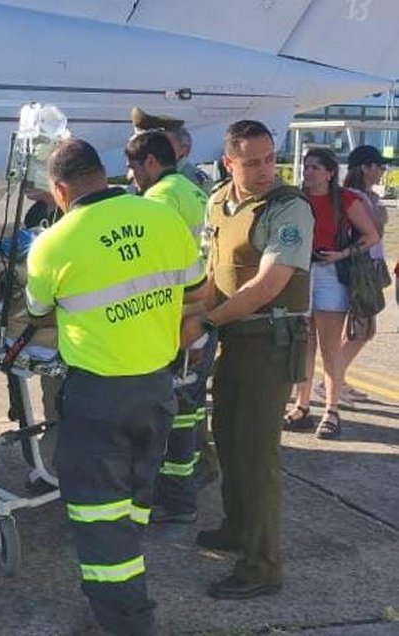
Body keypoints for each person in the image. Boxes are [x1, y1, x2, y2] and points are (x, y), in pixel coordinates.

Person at [27, 139, 204, 634]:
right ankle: (116, 600)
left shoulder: (53, 243)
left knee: (100, 522)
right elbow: (198, 292)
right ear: (103, 174)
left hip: (98, 398)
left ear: (59, 190)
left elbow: (38, 313)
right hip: (156, 389)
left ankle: (126, 622)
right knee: (130, 507)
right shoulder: (163, 218)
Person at [180, 120, 313, 601]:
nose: (264, 170)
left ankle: (262, 567)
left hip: (270, 343)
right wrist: (188, 314)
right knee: (229, 441)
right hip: (235, 339)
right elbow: (217, 275)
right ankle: (238, 529)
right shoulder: (219, 201)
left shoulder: (288, 208)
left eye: (268, 158)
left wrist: (206, 323)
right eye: (251, 162)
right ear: (228, 163)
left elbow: (266, 286)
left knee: (257, 456)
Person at [125, 131, 214, 525]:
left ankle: (177, 501)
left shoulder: (159, 198)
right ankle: (187, 490)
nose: (131, 177)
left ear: (150, 163)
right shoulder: (191, 188)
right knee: (189, 410)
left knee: (173, 413)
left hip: (176, 315)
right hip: (200, 306)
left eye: (133, 167)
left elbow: (149, 259)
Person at [282, 148, 379, 438]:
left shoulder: (345, 200)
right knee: (304, 342)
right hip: (301, 271)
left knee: (330, 346)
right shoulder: (296, 199)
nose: (308, 172)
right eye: (306, 166)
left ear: (329, 172)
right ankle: (302, 405)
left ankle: (331, 409)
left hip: (330, 273)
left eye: (314, 167)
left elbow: (371, 235)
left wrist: (342, 254)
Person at [339, 145, 390, 394]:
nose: (382, 170)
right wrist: (379, 214)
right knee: (362, 329)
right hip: (361, 268)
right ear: (365, 168)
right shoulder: (354, 197)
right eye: (378, 165)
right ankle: (333, 379)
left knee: (358, 328)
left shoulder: (367, 196)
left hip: (370, 266)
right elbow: (372, 232)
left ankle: (337, 378)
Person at [130, 107, 212, 193]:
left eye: (162, 145)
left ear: (184, 148)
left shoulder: (193, 182)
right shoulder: (139, 174)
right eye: (145, 146)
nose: (152, 150)